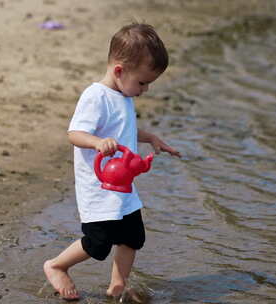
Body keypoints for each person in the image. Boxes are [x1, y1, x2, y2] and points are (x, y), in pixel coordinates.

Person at [43, 22, 181, 301]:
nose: (145, 90)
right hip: (100, 186)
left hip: (124, 187)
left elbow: (123, 130)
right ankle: (57, 265)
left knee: (133, 237)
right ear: (119, 71)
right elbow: (74, 133)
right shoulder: (96, 96)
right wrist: (96, 142)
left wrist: (150, 137)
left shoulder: (123, 95)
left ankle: (117, 285)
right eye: (143, 82)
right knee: (98, 243)